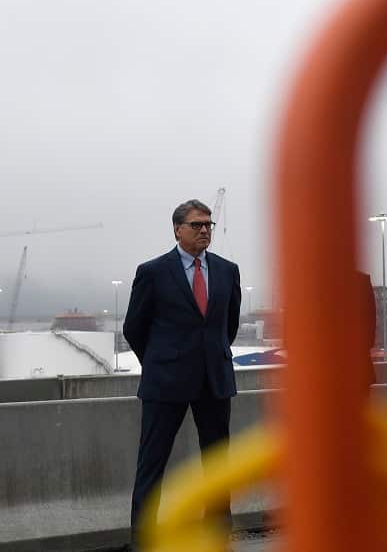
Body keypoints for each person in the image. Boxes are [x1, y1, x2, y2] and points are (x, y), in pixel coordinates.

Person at [123, 199, 242, 545]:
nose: (205, 229)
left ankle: (218, 532)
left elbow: (227, 326)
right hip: (165, 382)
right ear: (177, 230)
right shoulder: (153, 272)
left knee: (219, 465)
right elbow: (134, 327)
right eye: (196, 225)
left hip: (214, 379)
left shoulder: (227, 270)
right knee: (152, 464)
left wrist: (211, 355)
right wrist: (161, 361)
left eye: (208, 225)